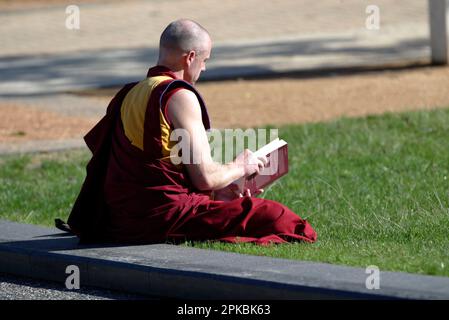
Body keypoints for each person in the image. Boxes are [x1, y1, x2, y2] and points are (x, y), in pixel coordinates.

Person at [63, 19, 317, 245]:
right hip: (159, 218)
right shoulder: (178, 95)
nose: (204, 68)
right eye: (205, 60)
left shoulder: (131, 92)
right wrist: (242, 165)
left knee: (235, 206)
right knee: (280, 218)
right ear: (190, 57)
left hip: (116, 218)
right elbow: (204, 177)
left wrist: (219, 192)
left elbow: (169, 168)